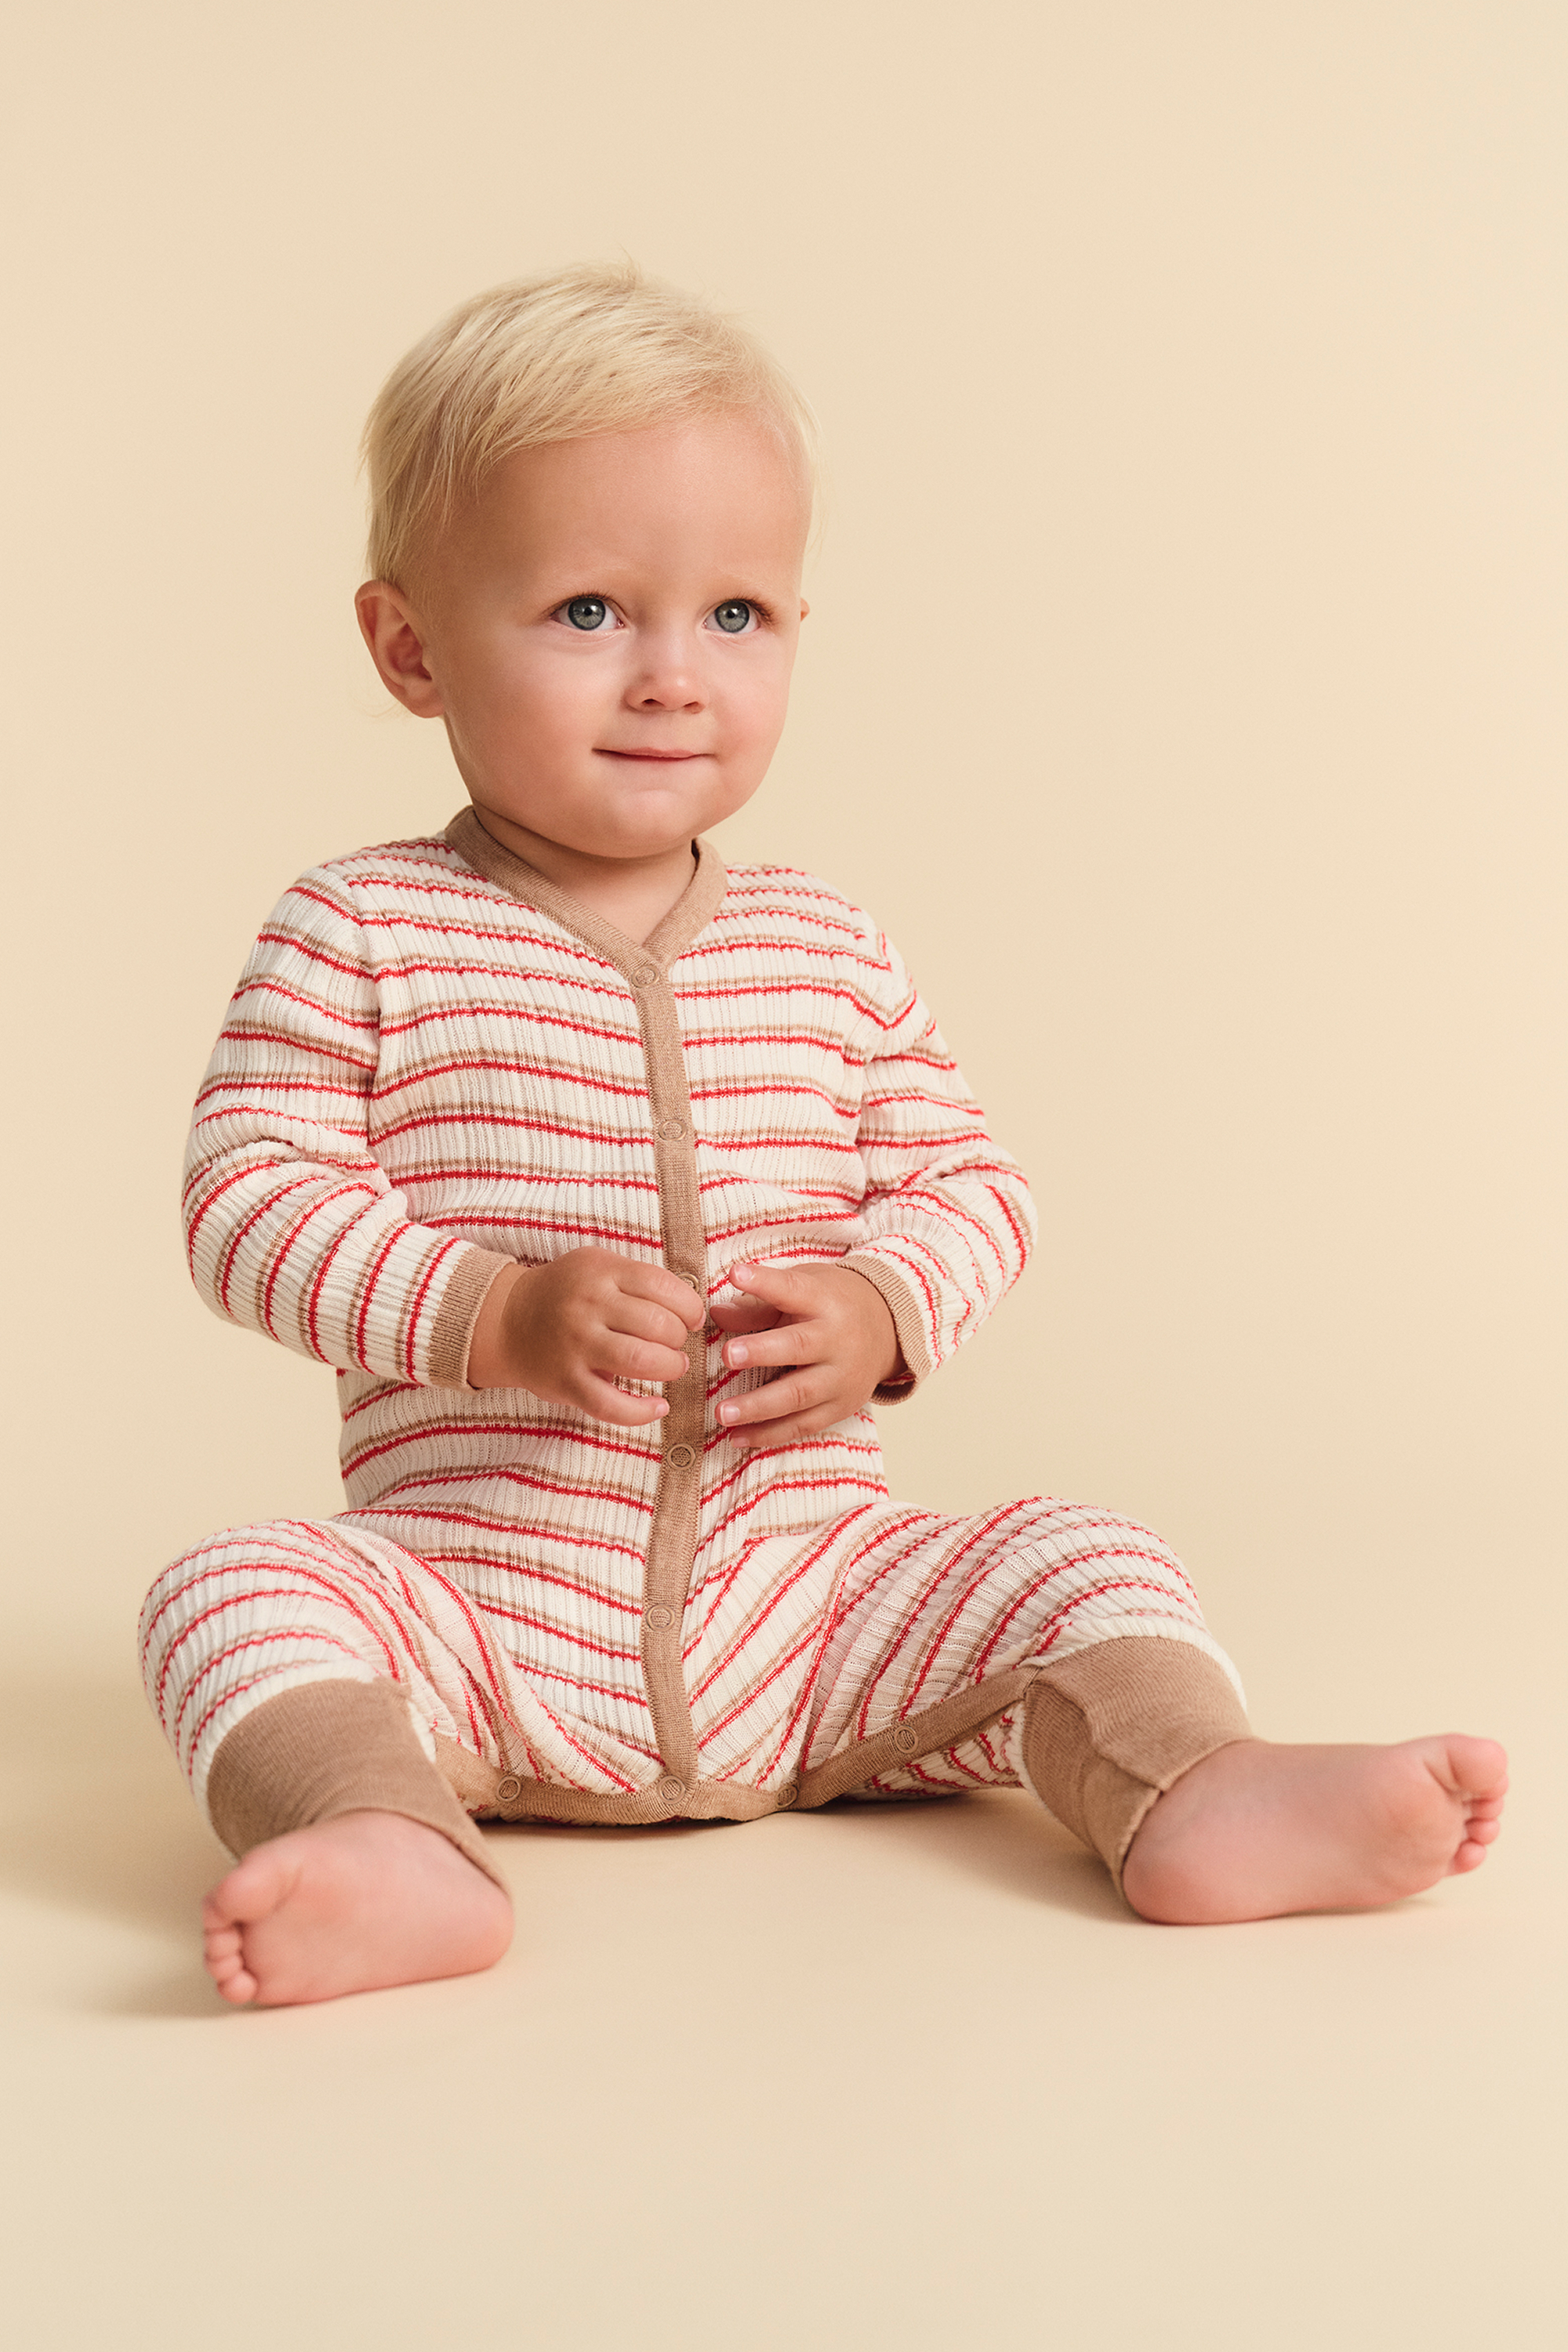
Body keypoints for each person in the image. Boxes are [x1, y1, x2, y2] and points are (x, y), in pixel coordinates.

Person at [142, 263, 1508, 2008]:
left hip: (818, 1609)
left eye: (736, 615)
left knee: (1079, 1553)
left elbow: (971, 1186)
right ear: (411, 648)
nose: (671, 678)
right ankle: (387, 1841)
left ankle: (1196, 1789)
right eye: (585, 611)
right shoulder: (364, 928)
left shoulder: (824, 945)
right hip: (482, 1611)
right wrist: (494, 1311)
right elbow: (249, 1200)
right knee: (229, 1597)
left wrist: (881, 1304)